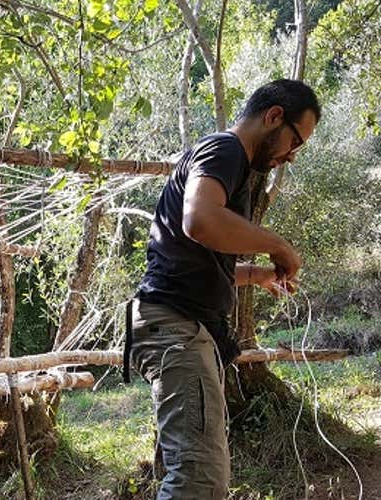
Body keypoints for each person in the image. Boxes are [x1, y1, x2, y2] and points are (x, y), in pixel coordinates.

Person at [127, 79, 321, 499]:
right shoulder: (226, 149)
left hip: (176, 326)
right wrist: (277, 244)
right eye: (295, 141)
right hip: (176, 329)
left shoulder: (229, 162)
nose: (291, 154)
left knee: (192, 474)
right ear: (273, 116)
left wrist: (256, 274)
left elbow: (194, 259)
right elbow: (199, 221)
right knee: (199, 480)